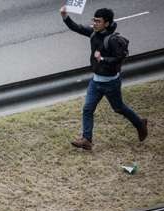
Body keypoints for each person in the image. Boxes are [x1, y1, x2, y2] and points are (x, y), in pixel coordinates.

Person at [60, 6, 148, 150]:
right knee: (87, 109)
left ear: (106, 23)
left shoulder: (112, 40)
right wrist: (65, 16)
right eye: (94, 20)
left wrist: (102, 59)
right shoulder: (94, 33)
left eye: (98, 21)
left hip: (111, 83)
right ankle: (86, 140)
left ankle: (140, 124)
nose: (94, 23)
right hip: (95, 81)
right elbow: (76, 27)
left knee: (119, 108)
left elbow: (119, 59)